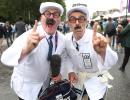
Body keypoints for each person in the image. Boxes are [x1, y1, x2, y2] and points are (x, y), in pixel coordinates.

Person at [1, 2, 69, 100]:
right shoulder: (29, 36)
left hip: (46, 87)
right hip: (26, 87)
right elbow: (5, 58)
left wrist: (60, 73)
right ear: (42, 18)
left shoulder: (62, 39)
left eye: (56, 14)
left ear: (59, 20)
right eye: (47, 13)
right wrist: (26, 49)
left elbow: (63, 56)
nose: (51, 17)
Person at [65, 3, 118, 100]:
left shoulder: (97, 38)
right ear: (68, 23)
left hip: (96, 82)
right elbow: (66, 56)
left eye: (81, 19)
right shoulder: (67, 39)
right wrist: (70, 71)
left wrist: (103, 52)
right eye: (73, 19)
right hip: (78, 81)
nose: (77, 23)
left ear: (86, 21)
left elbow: (114, 60)